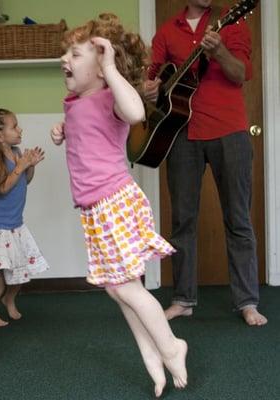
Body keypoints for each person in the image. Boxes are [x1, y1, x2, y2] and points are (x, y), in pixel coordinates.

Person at [50, 13, 187, 397]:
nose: (65, 60)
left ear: (100, 67)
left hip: (115, 201)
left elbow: (137, 113)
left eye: (75, 54)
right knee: (117, 288)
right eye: (66, 54)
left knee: (126, 287)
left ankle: (171, 345)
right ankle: (151, 353)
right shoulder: (77, 102)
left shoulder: (112, 96)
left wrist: (110, 67)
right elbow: (90, 137)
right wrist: (63, 132)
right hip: (95, 209)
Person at [143, 0, 267, 326]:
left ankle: (247, 302)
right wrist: (150, 89)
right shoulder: (168, 31)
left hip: (230, 131)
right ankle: (183, 300)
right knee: (182, 220)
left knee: (238, 219)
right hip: (181, 134)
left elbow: (241, 74)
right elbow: (151, 78)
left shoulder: (232, 22)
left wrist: (220, 52)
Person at [0, 108, 49, 328]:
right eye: (14, 126)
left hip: (15, 224)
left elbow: (26, 180)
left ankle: (9, 298)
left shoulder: (15, 152)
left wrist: (30, 166)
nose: (19, 129)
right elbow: (4, 187)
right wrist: (21, 165)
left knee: (22, 266)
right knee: (2, 272)